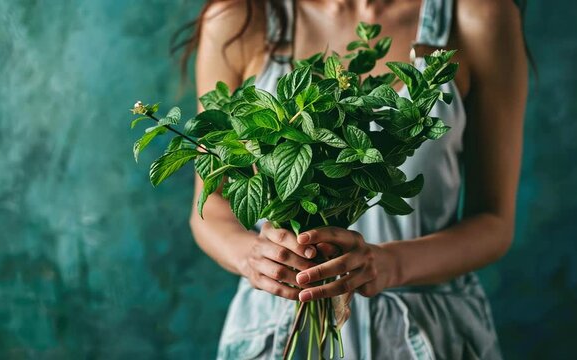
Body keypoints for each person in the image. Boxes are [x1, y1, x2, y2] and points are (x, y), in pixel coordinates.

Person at [186, 0, 528, 358]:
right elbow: (211, 208)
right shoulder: (240, 18)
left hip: (426, 332)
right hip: (283, 329)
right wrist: (252, 257)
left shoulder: (479, 16)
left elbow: (494, 222)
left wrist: (390, 264)